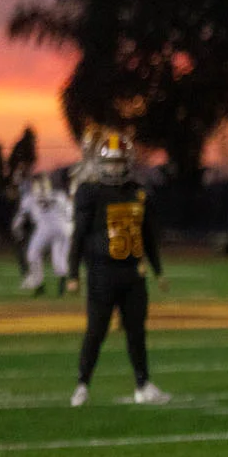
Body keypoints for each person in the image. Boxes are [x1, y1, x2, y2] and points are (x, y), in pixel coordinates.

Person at [65, 130, 170, 407]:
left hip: (133, 272)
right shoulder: (90, 192)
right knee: (96, 330)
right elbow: (78, 234)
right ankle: (82, 385)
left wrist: (158, 270)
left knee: (136, 331)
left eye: (119, 162)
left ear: (127, 162)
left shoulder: (138, 191)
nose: (114, 167)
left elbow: (147, 235)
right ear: (101, 163)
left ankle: (142, 385)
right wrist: (73, 273)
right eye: (110, 162)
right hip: (102, 272)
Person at [13, 174, 73, 296]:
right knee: (59, 259)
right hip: (62, 228)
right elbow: (70, 212)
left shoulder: (29, 198)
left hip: (45, 229)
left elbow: (20, 218)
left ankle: (39, 285)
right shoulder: (59, 195)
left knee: (33, 255)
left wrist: (17, 229)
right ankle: (60, 287)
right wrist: (71, 227)